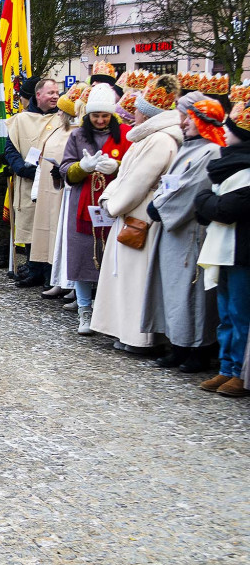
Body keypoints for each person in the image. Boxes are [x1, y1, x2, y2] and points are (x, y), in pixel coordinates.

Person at [91, 75, 183, 352]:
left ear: (147, 112)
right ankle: (126, 331)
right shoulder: (153, 137)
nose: (134, 112)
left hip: (141, 214)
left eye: (139, 109)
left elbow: (139, 181)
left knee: (136, 277)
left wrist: (113, 203)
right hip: (137, 211)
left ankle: (138, 336)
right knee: (128, 275)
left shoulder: (159, 140)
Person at [142, 95, 224, 371]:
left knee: (192, 291)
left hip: (190, 231)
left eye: (189, 117)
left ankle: (197, 349)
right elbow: (171, 184)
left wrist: (160, 208)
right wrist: (159, 202)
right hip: (174, 230)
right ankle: (178, 345)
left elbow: (193, 189)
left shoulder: (210, 151)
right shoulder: (189, 148)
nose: (184, 122)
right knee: (175, 290)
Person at [57, 84, 131, 335]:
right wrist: (82, 167)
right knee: (82, 256)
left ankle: (106, 311)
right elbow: (65, 170)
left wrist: (118, 167)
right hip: (83, 202)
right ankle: (84, 309)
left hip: (115, 204)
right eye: (96, 116)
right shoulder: (78, 136)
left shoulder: (125, 134)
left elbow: (135, 167)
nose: (100, 120)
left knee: (112, 257)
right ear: (88, 115)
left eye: (105, 116)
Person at [194, 103, 250, 397]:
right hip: (225, 248)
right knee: (226, 312)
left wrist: (205, 199)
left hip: (241, 250)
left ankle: (239, 371)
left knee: (240, 314)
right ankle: (227, 367)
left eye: (231, 127)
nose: (224, 132)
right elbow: (207, 210)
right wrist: (207, 202)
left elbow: (225, 209)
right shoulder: (227, 166)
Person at [2, 78, 59, 279]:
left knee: (49, 225)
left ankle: (48, 272)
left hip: (52, 182)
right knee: (29, 223)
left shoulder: (62, 119)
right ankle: (33, 268)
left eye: (56, 92)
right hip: (27, 180)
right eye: (51, 92)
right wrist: (20, 168)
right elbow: (10, 148)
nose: (55, 96)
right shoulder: (20, 120)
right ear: (38, 95)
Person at [30, 82, 83, 298]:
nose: (58, 113)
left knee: (65, 237)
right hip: (49, 190)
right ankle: (57, 279)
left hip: (65, 190)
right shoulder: (57, 129)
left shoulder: (76, 132)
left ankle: (72, 284)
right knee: (53, 236)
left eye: (62, 110)